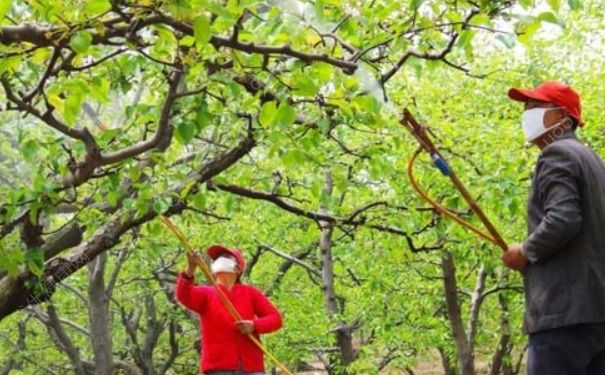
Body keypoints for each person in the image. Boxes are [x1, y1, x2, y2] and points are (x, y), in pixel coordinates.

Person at [501, 81, 605, 374]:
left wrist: (525, 251)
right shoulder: (592, 160)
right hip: (596, 315)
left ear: (561, 116)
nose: (526, 113)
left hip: (563, 316)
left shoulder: (556, 154)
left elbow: (563, 219)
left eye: (534, 107)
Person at [175, 244, 283, 375]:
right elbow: (184, 295)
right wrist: (191, 267)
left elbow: (275, 319)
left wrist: (254, 325)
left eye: (226, 257)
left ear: (237, 269)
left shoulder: (250, 293)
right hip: (218, 367)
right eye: (218, 258)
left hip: (252, 366)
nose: (220, 260)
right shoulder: (206, 293)